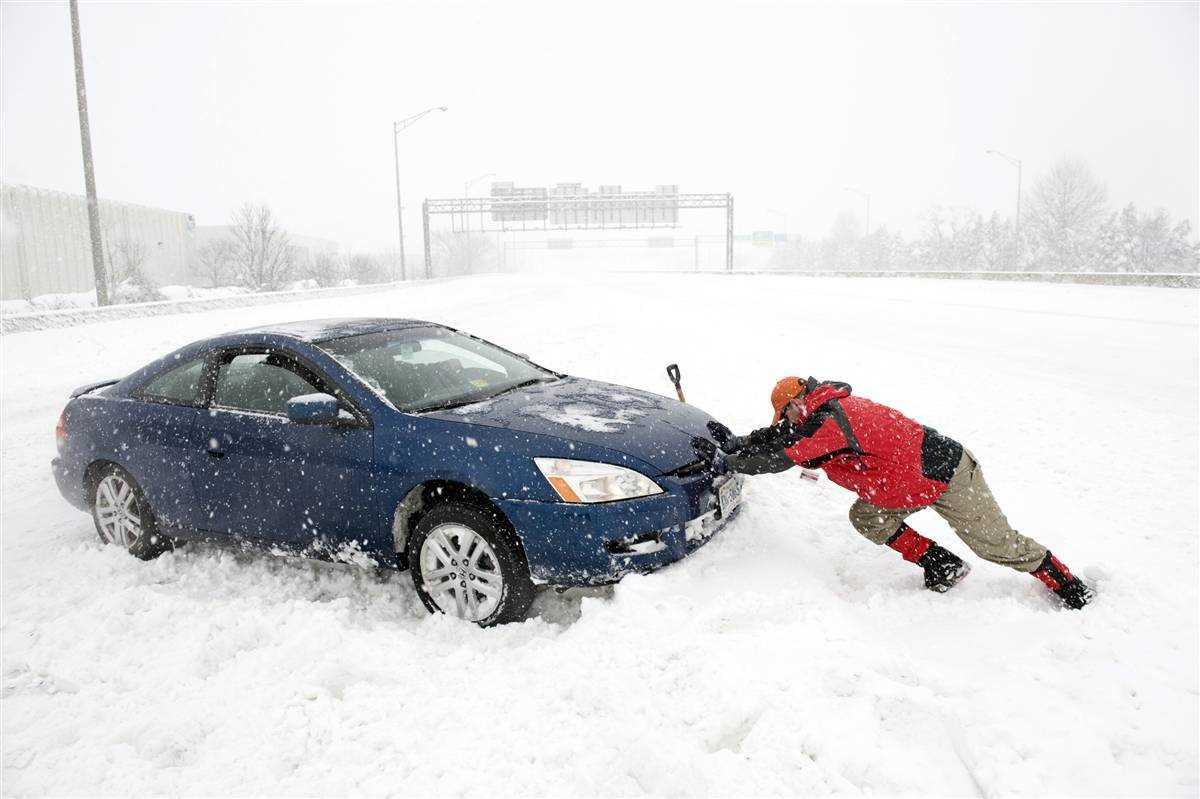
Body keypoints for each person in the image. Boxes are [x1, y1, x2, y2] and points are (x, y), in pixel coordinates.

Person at [708, 376, 1094, 609]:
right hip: (904, 484)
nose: (787, 422)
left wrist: (730, 463)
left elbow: (781, 458)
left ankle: (1070, 587)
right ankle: (942, 565)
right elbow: (780, 437)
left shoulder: (831, 420)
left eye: (786, 414)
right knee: (867, 517)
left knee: (997, 545)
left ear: (796, 403)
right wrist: (737, 442)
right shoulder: (818, 411)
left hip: (946, 474)